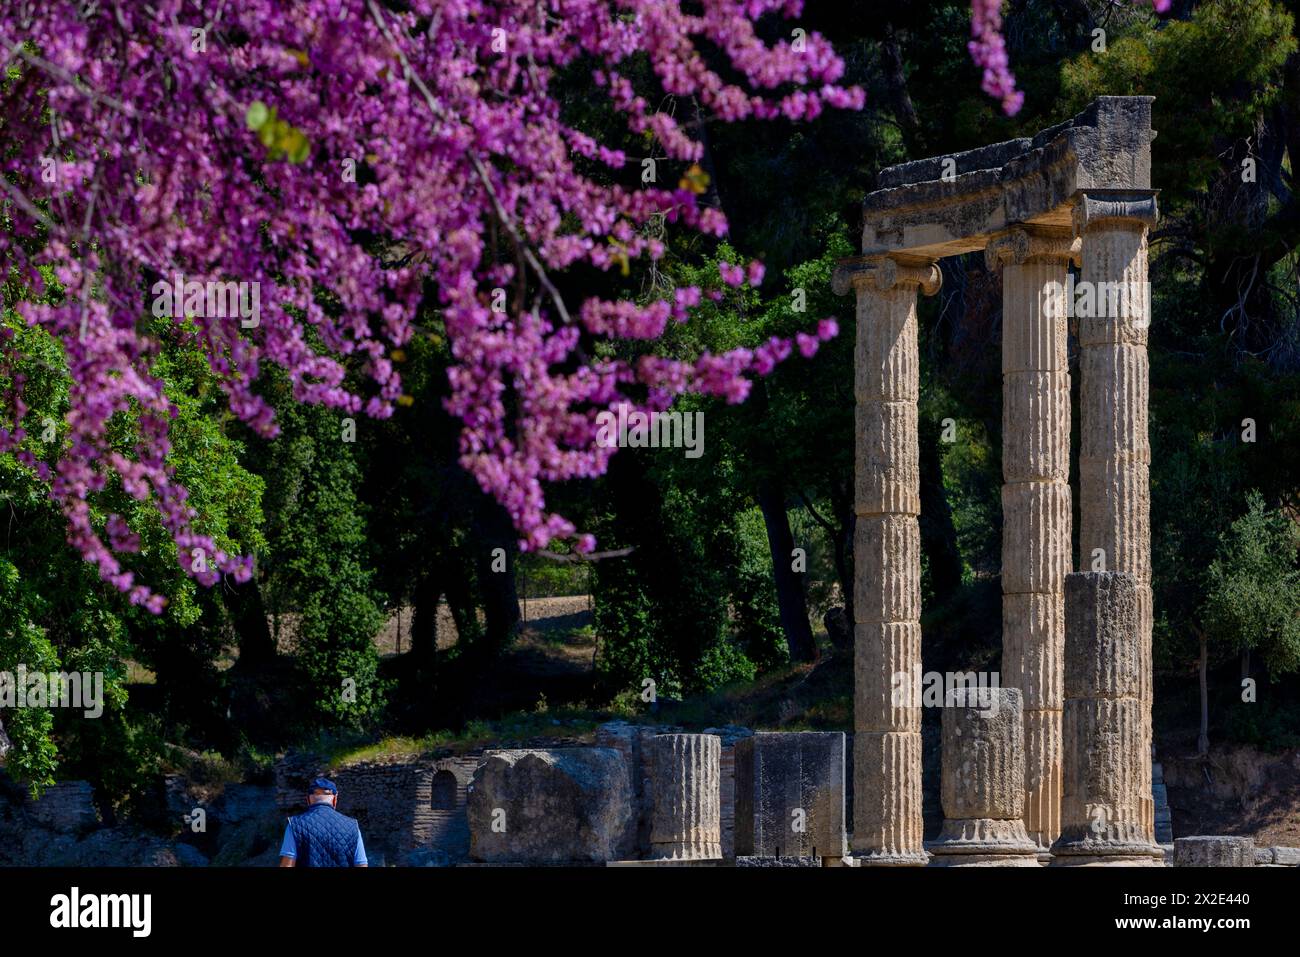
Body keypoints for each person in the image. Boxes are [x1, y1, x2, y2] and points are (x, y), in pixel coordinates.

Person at [278, 778, 368, 867]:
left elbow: (287, 865)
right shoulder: (353, 826)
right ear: (335, 799)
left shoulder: (295, 825)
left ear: (308, 799)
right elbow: (361, 864)